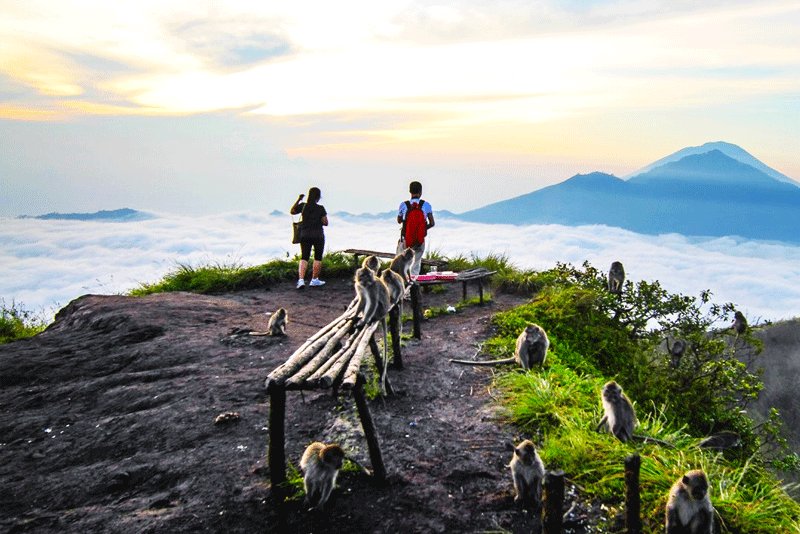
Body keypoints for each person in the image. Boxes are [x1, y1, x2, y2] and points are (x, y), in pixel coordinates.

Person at [290, 187, 328, 289]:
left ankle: (301, 280)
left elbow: (292, 211)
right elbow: (325, 222)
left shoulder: (303, 206)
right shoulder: (321, 208)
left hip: (305, 234)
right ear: (318, 197)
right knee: (318, 257)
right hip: (318, 235)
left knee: (304, 257)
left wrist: (299, 199)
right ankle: (314, 280)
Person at [396, 180, 435, 277]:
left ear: (410, 191)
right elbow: (432, 223)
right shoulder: (426, 205)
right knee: (415, 265)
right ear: (421, 192)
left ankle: (403, 288)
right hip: (419, 240)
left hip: (405, 239)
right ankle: (414, 286)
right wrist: (421, 229)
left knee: (402, 265)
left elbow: (399, 220)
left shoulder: (404, 205)